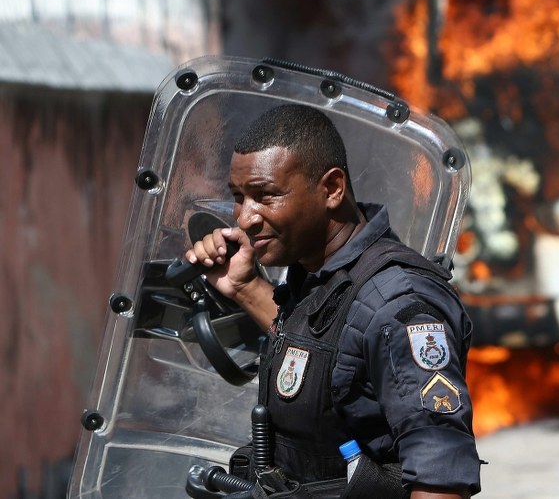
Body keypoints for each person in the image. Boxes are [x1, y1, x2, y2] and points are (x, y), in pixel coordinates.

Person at [183, 103, 481, 498]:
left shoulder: (398, 303)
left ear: (332, 188)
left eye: (265, 195)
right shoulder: (325, 279)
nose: (244, 218)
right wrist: (244, 287)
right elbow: (321, 354)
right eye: (239, 196)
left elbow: (440, 479)